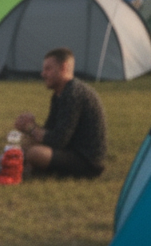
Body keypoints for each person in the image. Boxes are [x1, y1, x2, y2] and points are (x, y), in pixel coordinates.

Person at [14, 48, 107, 178]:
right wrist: (29, 127)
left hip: (86, 162)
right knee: (24, 146)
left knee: (34, 153)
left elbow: (58, 141)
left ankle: (36, 168)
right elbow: (50, 131)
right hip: (69, 151)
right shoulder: (59, 94)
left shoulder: (73, 94)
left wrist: (31, 128)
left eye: (48, 69)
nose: (43, 74)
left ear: (63, 68)